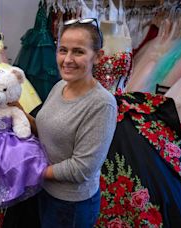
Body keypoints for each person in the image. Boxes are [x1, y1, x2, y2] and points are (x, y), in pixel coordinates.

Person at [13, 18, 117, 227]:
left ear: (97, 57)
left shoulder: (102, 104)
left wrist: (31, 170)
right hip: (45, 189)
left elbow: (81, 168)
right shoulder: (60, 85)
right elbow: (45, 129)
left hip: (71, 205)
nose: (67, 59)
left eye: (78, 51)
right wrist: (18, 111)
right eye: (62, 50)